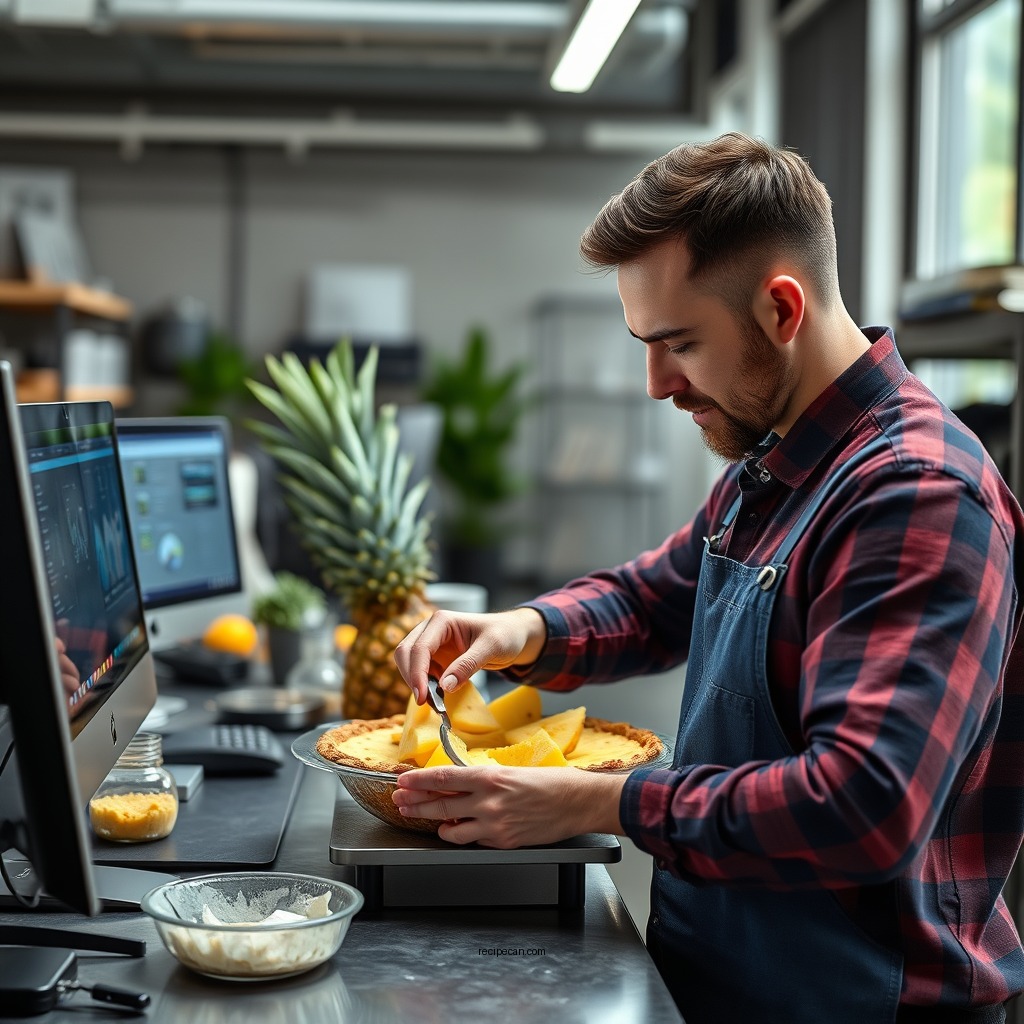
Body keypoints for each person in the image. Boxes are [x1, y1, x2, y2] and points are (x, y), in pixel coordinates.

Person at [391, 133, 1024, 1023]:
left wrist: (595, 802)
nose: (657, 384)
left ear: (781, 308)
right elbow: (656, 597)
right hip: (732, 983)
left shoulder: (916, 495)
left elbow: (862, 806)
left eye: (679, 343)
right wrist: (520, 629)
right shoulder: (777, 462)